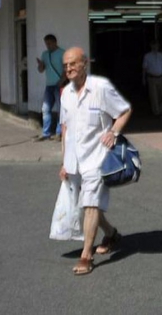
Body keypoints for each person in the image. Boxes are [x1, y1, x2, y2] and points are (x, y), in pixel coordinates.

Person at [58, 47, 132, 275]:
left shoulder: (100, 88)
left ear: (85, 64)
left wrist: (114, 132)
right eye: (65, 65)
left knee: (90, 203)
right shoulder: (66, 94)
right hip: (76, 161)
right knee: (87, 203)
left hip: (98, 159)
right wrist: (64, 162)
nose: (68, 68)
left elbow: (124, 110)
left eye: (73, 63)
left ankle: (86, 256)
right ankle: (111, 234)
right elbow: (66, 129)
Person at [36, 34, 65, 141]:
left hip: (59, 85)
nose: (47, 46)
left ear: (55, 42)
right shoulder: (45, 54)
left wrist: (61, 81)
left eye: (49, 43)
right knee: (45, 109)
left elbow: (66, 69)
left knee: (60, 109)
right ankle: (46, 133)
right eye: (46, 44)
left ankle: (59, 132)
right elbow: (41, 70)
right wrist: (40, 65)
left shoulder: (62, 53)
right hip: (49, 85)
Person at [141, 41, 162, 116]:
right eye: (153, 45)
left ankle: (157, 109)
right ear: (151, 46)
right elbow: (144, 68)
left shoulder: (161, 55)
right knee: (153, 96)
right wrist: (143, 79)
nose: (155, 47)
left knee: (160, 94)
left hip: (160, 78)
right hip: (151, 78)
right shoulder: (147, 56)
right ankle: (156, 113)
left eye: (156, 45)